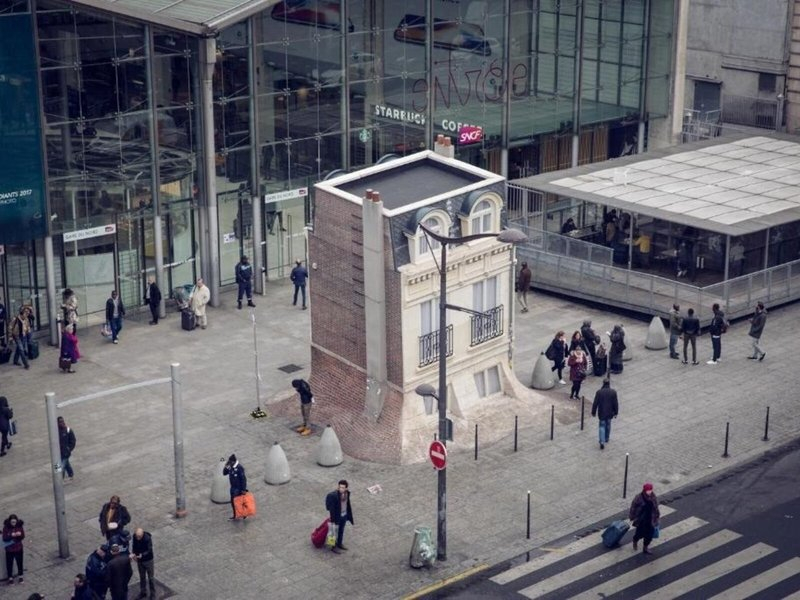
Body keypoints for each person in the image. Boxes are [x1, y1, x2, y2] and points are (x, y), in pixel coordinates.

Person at [629, 482, 660, 555]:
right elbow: (633, 507)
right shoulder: (639, 497)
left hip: (651, 519)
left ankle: (645, 547)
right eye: (648, 490)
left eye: (650, 490)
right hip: (642, 520)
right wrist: (632, 516)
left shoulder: (653, 496)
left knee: (649, 536)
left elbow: (655, 506)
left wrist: (657, 515)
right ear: (644, 490)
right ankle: (635, 540)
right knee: (639, 533)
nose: (649, 492)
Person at [325, 479, 354, 554]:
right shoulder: (333, 495)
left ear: (346, 488)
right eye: (340, 487)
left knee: (341, 530)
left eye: (343, 487)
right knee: (333, 532)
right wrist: (333, 516)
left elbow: (347, 504)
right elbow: (328, 507)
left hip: (344, 515)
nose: (341, 489)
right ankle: (332, 546)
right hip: (336, 517)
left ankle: (339, 543)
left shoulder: (347, 493)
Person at [591, 377, 618, 450]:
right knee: (608, 425)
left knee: (602, 426)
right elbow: (615, 403)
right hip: (610, 412)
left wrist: (593, 412)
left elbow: (595, 403)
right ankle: (606, 438)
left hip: (602, 412)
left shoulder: (599, 392)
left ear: (603, 383)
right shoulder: (613, 392)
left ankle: (602, 441)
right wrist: (616, 412)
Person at [131, 528, 155, 599]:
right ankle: (143, 592)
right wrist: (134, 553)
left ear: (142, 534)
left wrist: (142, 555)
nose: (138, 538)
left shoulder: (147, 538)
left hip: (148, 560)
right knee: (142, 577)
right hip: (140, 560)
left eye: (139, 537)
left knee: (151, 578)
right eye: (137, 536)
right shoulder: (134, 536)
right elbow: (134, 545)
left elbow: (149, 549)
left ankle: (153, 594)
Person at [222, 454, 247, 521]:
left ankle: (244, 513)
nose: (230, 463)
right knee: (233, 502)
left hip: (238, 488)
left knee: (239, 502)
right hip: (233, 488)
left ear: (234, 461)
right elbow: (224, 473)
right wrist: (226, 466)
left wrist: (243, 489)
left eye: (230, 462)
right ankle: (236, 515)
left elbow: (243, 479)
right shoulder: (230, 466)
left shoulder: (239, 468)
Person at [3, 514, 25, 584]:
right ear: (9, 521)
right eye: (12, 522)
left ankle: (21, 576)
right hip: (9, 549)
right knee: (9, 564)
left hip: (18, 548)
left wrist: (20, 534)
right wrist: (11, 535)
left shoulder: (19, 526)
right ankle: (10, 578)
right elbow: (4, 538)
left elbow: (23, 536)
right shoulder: (6, 527)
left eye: (15, 522)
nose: (14, 523)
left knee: (19, 563)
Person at [58, 416, 77, 481]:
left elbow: (73, 440)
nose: (62, 423)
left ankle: (60, 479)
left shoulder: (68, 430)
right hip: (57, 453)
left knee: (61, 467)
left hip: (65, 453)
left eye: (62, 421)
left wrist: (69, 448)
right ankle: (71, 474)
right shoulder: (55, 431)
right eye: (60, 422)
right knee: (66, 464)